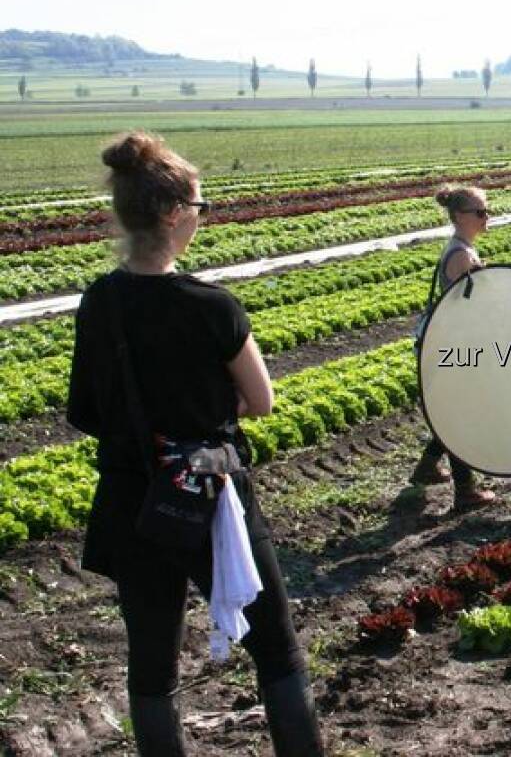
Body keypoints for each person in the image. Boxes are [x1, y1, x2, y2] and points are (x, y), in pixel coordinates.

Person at [66, 131, 323, 756]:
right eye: (200, 208)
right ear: (175, 214)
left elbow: (84, 411)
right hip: (210, 497)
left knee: (152, 660)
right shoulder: (213, 307)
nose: (202, 219)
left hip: (134, 501)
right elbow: (261, 400)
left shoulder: (99, 303)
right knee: (275, 645)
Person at [408, 183, 498, 510]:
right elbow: (465, 309)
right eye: (480, 212)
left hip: (452, 343)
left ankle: (428, 466)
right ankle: (465, 491)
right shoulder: (460, 255)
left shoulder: (462, 248)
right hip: (453, 346)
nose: (486, 216)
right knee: (461, 415)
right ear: (460, 216)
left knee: (455, 411)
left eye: (486, 210)